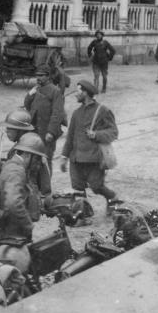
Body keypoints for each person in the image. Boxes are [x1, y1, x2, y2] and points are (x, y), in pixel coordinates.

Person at [60, 79, 120, 215]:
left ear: (86, 93)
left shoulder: (103, 111)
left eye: (78, 91)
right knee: (77, 187)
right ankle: (83, 214)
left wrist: (96, 134)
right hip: (76, 158)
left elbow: (114, 132)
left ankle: (113, 198)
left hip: (93, 158)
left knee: (96, 186)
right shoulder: (76, 113)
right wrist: (64, 157)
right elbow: (70, 137)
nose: (76, 94)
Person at [0, 133, 48, 246]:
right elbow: (13, 203)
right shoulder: (16, 171)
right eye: (37, 159)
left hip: (7, 231)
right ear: (28, 155)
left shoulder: (12, 165)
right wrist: (27, 225)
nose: (38, 164)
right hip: (10, 234)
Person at [24, 65, 64, 167]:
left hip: (46, 133)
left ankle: (46, 183)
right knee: (31, 160)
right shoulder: (36, 89)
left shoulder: (55, 91)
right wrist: (29, 95)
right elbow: (27, 105)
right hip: (34, 131)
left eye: (41, 76)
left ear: (48, 76)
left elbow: (57, 113)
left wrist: (51, 132)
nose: (38, 78)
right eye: (37, 75)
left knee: (45, 162)